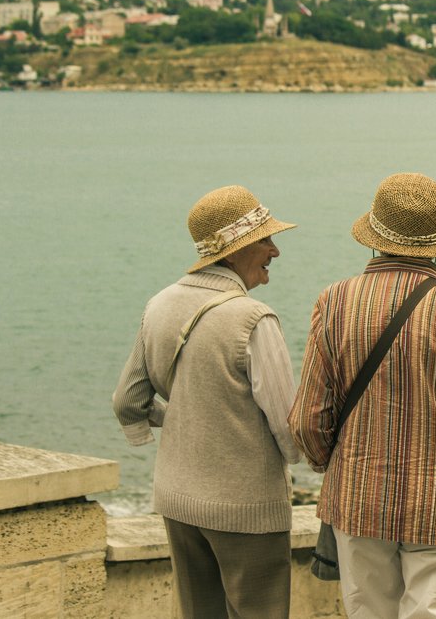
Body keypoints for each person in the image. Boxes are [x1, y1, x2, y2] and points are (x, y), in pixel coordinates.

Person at [289, 172, 436, 619]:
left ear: (376, 234)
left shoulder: (333, 301)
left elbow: (307, 419)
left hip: (357, 499)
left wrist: (336, 462)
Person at [112, 185, 300, 619]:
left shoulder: (158, 304)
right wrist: (313, 459)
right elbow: (288, 429)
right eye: (265, 241)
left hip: (177, 497)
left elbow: (127, 401)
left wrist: (178, 417)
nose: (275, 251)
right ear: (234, 252)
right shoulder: (254, 318)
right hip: (245, 508)